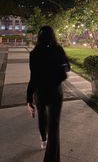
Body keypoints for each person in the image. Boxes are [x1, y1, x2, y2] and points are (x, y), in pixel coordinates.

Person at [26, 25, 70, 162]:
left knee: (42, 116)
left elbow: (33, 79)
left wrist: (29, 100)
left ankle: (43, 139)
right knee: (54, 126)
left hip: (40, 92)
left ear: (39, 37)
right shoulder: (58, 51)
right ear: (53, 36)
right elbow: (65, 73)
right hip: (55, 92)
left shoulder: (34, 54)